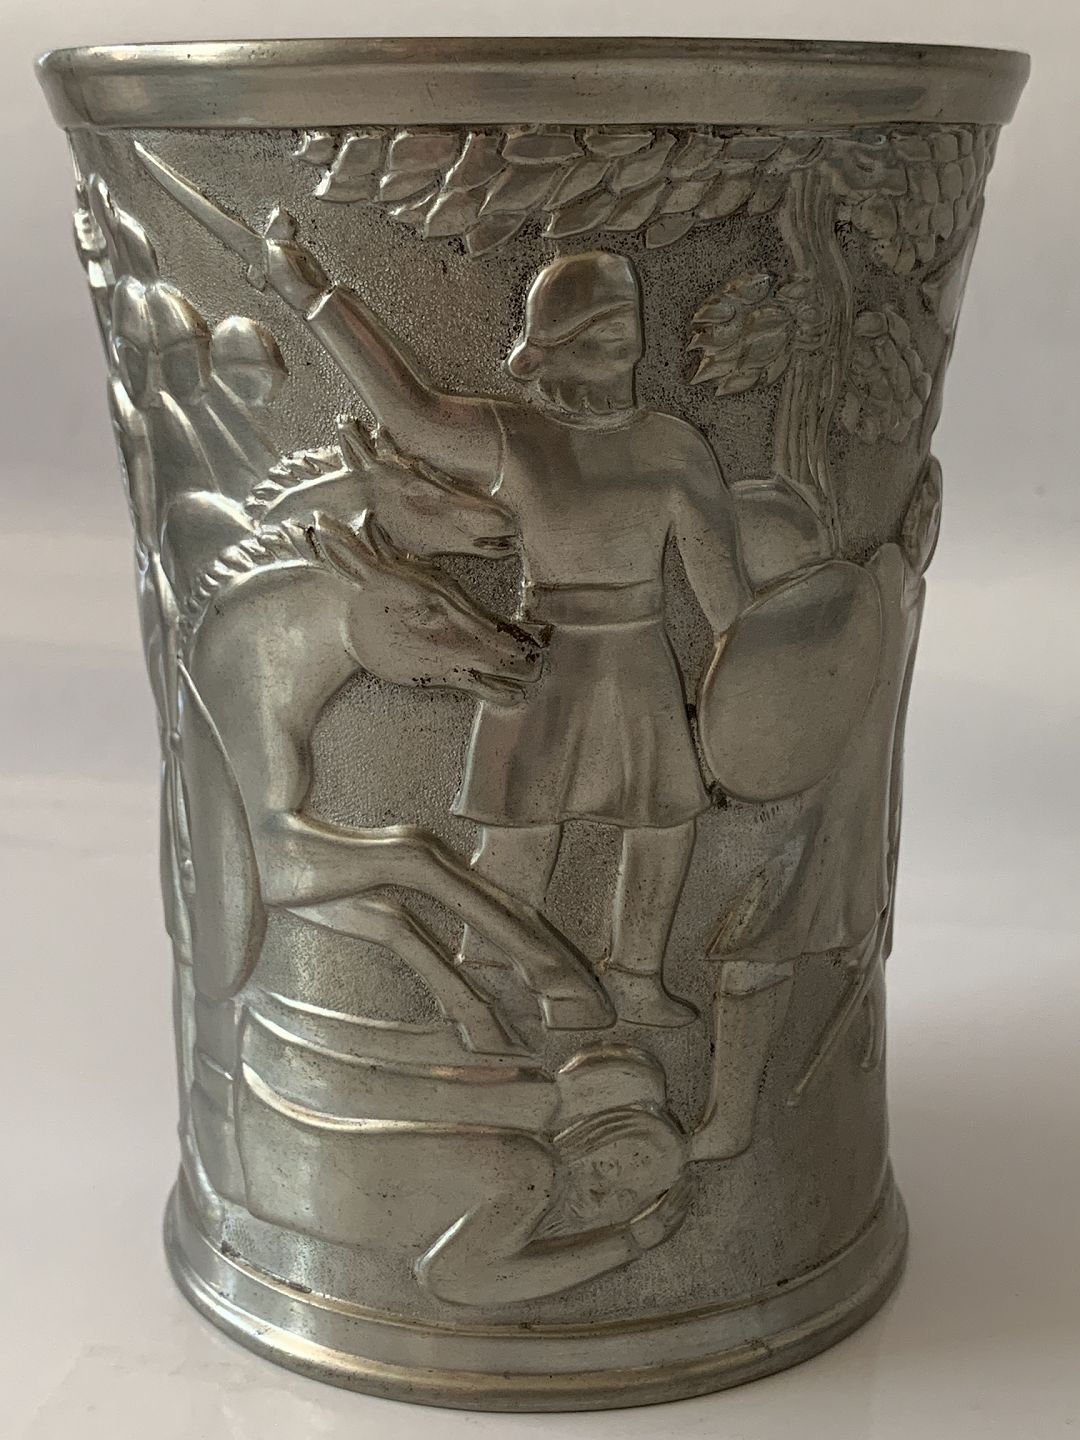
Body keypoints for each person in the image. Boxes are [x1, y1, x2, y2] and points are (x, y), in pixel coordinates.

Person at [258, 234, 750, 1028]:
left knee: (665, 820)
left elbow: (721, 587)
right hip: (541, 656)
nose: (617, 339)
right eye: (593, 324)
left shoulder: (673, 446)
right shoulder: (518, 437)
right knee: (520, 828)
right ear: (548, 344)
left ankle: (636, 976)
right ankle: (491, 965)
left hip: (639, 658)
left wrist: (737, 699)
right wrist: (317, 300)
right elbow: (412, 418)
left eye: (624, 319)